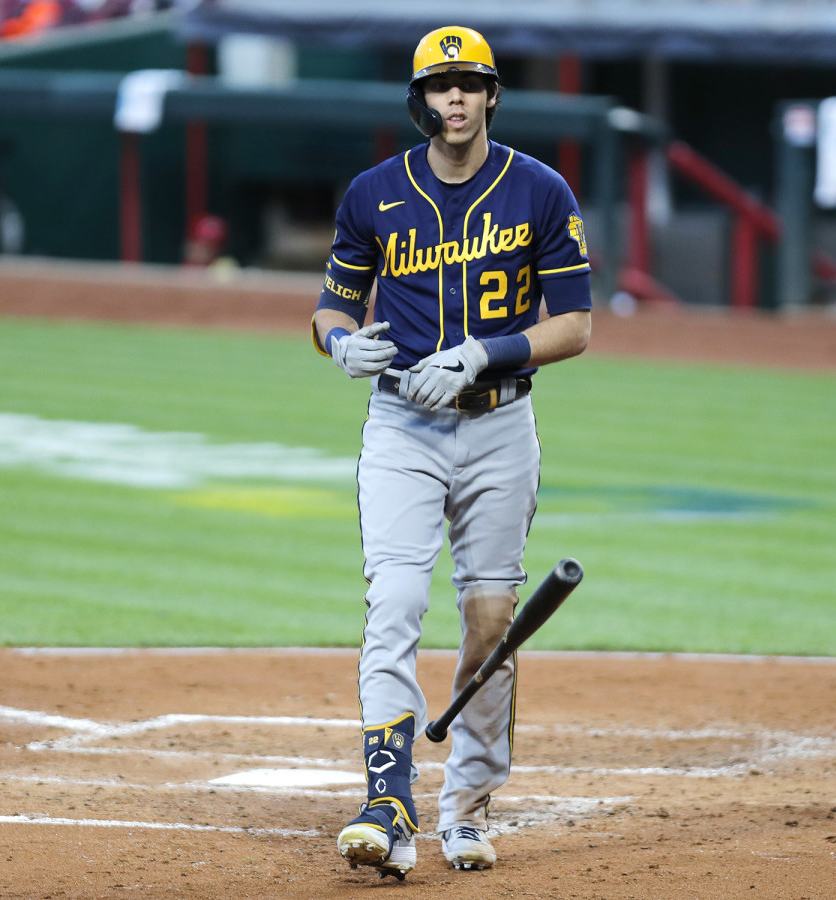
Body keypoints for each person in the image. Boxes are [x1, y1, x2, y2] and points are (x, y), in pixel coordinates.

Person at [310, 25, 593, 880]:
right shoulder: (374, 193)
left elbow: (575, 326)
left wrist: (482, 353)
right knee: (394, 602)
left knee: (490, 623)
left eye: (470, 83)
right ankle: (387, 806)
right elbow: (332, 306)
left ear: (492, 94)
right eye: (441, 86)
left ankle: (466, 808)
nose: (456, 98)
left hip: (500, 427)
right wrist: (340, 344)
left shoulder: (540, 191)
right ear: (421, 101)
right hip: (401, 427)